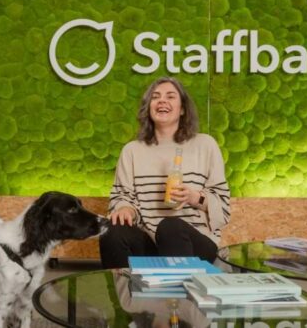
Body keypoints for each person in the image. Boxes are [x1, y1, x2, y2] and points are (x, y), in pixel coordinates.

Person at [99, 76, 231, 268]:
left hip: (196, 244)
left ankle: (181, 295)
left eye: (170, 96)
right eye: (156, 97)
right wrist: (125, 208)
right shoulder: (132, 151)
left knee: (170, 226)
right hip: (152, 244)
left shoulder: (205, 145)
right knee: (112, 230)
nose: (162, 101)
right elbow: (122, 196)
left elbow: (224, 210)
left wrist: (195, 197)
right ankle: (122, 293)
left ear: (183, 109)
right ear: (148, 107)